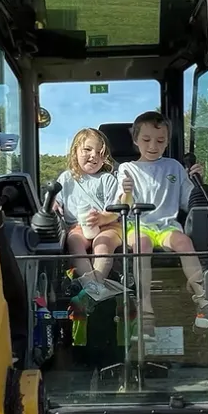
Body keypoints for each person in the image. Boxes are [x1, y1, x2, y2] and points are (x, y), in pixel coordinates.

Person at [117, 111, 208, 337]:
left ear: (166, 142)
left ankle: (203, 297)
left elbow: (188, 201)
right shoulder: (127, 169)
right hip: (138, 224)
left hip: (167, 226)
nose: (153, 145)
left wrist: (197, 178)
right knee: (142, 244)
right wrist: (126, 193)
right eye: (146, 140)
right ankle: (145, 308)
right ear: (135, 140)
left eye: (160, 141)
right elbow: (123, 207)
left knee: (183, 241)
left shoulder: (173, 167)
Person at [57, 128, 122, 303]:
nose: (93, 155)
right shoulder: (66, 179)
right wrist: (55, 206)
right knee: (74, 241)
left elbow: (115, 210)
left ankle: (97, 284)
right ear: (75, 152)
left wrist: (103, 217)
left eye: (99, 152)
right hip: (78, 225)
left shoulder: (107, 179)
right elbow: (57, 201)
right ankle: (90, 284)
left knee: (102, 244)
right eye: (87, 150)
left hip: (108, 225)